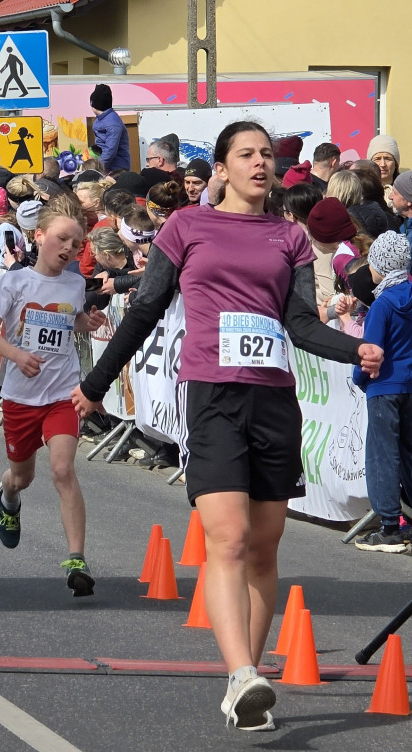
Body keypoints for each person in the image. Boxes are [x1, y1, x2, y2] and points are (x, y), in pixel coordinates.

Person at [70, 121, 383, 731]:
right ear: (221, 167)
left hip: (274, 402)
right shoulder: (188, 227)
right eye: (246, 154)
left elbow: (299, 323)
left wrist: (358, 351)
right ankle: (240, 673)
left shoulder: (289, 236)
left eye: (267, 154)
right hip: (213, 396)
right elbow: (144, 309)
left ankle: (251, 678)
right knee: (230, 539)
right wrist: (96, 383)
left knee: (265, 544)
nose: (260, 164)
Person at [0, 195, 108, 596]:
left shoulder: (74, 283)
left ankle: (76, 559)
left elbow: (72, 323)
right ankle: (8, 497)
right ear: (38, 236)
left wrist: (89, 322)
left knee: (63, 470)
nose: (70, 248)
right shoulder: (12, 281)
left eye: (78, 243)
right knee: (23, 476)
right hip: (21, 396)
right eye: (62, 239)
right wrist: (17, 354)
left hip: (61, 393)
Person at [351, 231, 412, 552]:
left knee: (381, 455)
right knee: (408, 452)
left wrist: (359, 380)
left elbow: (368, 353)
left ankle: (390, 526)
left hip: (383, 388)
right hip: (409, 386)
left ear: (382, 268)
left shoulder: (382, 305)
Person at [89, 84, 130, 171]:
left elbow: (110, 150)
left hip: (116, 169)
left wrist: (98, 168)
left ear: (94, 104)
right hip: (106, 165)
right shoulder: (101, 120)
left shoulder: (112, 123)